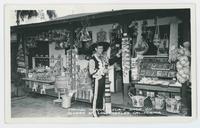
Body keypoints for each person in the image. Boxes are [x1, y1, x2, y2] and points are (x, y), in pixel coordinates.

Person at [89, 42, 121, 117]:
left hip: (103, 78)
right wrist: (103, 71)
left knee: (101, 95)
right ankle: (94, 112)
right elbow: (91, 71)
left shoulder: (103, 57)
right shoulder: (92, 59)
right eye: (99, 48)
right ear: (96, 49)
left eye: (102, 48)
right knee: (96, 95)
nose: (101, 49)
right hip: (97, 79)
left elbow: (110, 62)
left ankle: (99, 110)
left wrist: (118, 54)